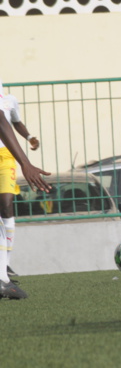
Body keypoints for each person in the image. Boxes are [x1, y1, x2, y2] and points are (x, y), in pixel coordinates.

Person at [0, 99, 50, 298]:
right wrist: (26, 163)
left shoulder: (9, 98)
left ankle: (4, 273)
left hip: (5, 155)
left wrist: (29, 138)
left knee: (5, 206)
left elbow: (11, 121)